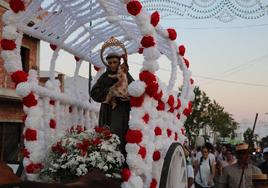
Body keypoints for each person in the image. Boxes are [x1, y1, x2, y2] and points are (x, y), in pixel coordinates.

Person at [91, 52, 134, 156]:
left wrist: (125, 97)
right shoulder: (104, 77)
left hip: (121, 111)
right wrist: (110, 91)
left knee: (120, 136)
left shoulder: (125, 75)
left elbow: (134, 90)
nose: (112, 65)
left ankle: (120, 161)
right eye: (110, 63)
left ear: (119, 62)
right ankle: (105, 161)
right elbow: (94, 93)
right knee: (106, 135)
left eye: (115, 62)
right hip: (107, 111)